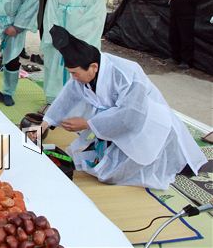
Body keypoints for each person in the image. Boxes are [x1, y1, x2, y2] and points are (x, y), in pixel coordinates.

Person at [33, 25, 206, 190]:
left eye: (74, 73)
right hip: (114, 123)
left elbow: (131, 116)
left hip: (146, 125)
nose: (73, 78)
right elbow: (67, 97)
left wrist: (88, 124)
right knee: (96, 164)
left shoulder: (127, 74)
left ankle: (180, 163)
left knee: (114, 174)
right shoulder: (84, 72)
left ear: (93, 67)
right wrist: (45, 124)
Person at [41, 0, 106, 104]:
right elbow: (50, 13)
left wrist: (73, 42)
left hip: (81, 41)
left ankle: (77, 105)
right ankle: (53, 102)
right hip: (58, 40)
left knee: (79, 72)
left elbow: (95, 19)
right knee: (55, 70)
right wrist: (57, 37)